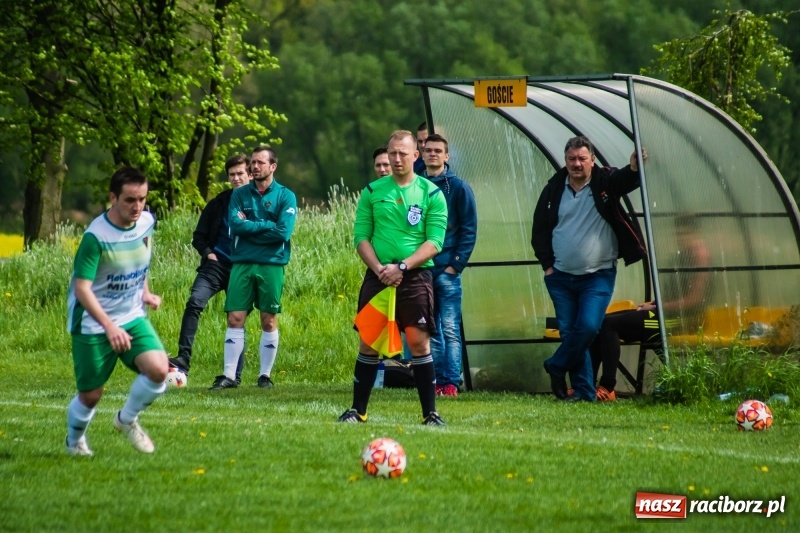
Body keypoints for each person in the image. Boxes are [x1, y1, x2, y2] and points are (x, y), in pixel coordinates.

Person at [338, 130, 449, 425]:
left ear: (416, 155)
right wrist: (380, 269)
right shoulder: (372, 192)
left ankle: (431, 414)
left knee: (418, 344)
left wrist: (401, 267)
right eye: (392, 153)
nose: (396, 158)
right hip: (378, 276)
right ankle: (357, 411)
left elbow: (434, 242)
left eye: (403, 153)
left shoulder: (432, 194)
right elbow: (361, 237)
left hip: (415, 277)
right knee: (368, 343)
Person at [531, 136, 646, 402]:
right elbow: (539, 230)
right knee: (572, 333)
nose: (577, 164)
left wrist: (633, 169)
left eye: (582, 158)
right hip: (560, 276)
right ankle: (583, 391)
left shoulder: (604, 181)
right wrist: (548, 266)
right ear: (565, 160)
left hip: (598, 275)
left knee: (588, 327)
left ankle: (557, 365)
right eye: (572, 159)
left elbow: (623, 182)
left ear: (592, 160)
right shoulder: (553, 189)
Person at [65, 166, 168, 456]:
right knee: (91, 395)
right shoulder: (95, 237)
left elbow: (141, 257)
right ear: (113, 197)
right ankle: (74, 442)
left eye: (142, 199)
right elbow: (83, 289)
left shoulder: (146, 222)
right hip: (93, 323)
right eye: (130, 200)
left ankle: (126, 420)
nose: (138, 207)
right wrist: (110, 327)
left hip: (132, 315)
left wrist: (145, 292)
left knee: (159, 370)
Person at [588, 215, 709, 401]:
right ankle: (587, 385)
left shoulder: (699, 255)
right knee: (601, 322)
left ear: (695, 233)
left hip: (680, 321)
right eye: (677, 233)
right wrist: (653, 304)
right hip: (664, 314)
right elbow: (674, 294)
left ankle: (607, 387)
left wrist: (658, 306)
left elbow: (693, 301)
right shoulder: (683, 255)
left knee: (610, 325)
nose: (679, 237)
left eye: (684, 233)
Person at [210, 145, 297, 390]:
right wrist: (266, 226)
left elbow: (284, 231)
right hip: (242, 263)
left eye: (260, 162)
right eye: (253, 163)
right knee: (235, 317)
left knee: (268, 320)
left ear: (273, 166)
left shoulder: (285, 196)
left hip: (272, 264)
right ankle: (228, 376)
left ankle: (265, 376)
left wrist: (254, 226)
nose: (255, 166)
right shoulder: (239, 194)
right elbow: (236, 227)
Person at [169, 154, 252, 383]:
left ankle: (233, 374)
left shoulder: (257, 203)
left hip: (242, 269)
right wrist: (208, 254)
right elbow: (199, 237)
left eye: (240, 174)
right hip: (215, 266)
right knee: (194, 302)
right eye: (232, 175)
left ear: (250, 174)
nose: (236, 178)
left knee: (236, 318)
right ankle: (183, 358)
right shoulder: (218, 203)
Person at [421, 133, 477, 397]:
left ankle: (451, 382)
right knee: (430, 329)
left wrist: (455, 265)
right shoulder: (415, 186)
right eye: (428, 150)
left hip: (447, 271)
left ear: (447, 156)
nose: (432, 154)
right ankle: (434, 381)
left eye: (438, 151)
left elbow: (469, 229)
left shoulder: (459, 188)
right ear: (421, 154)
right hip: (422, 270)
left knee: (451, 329)